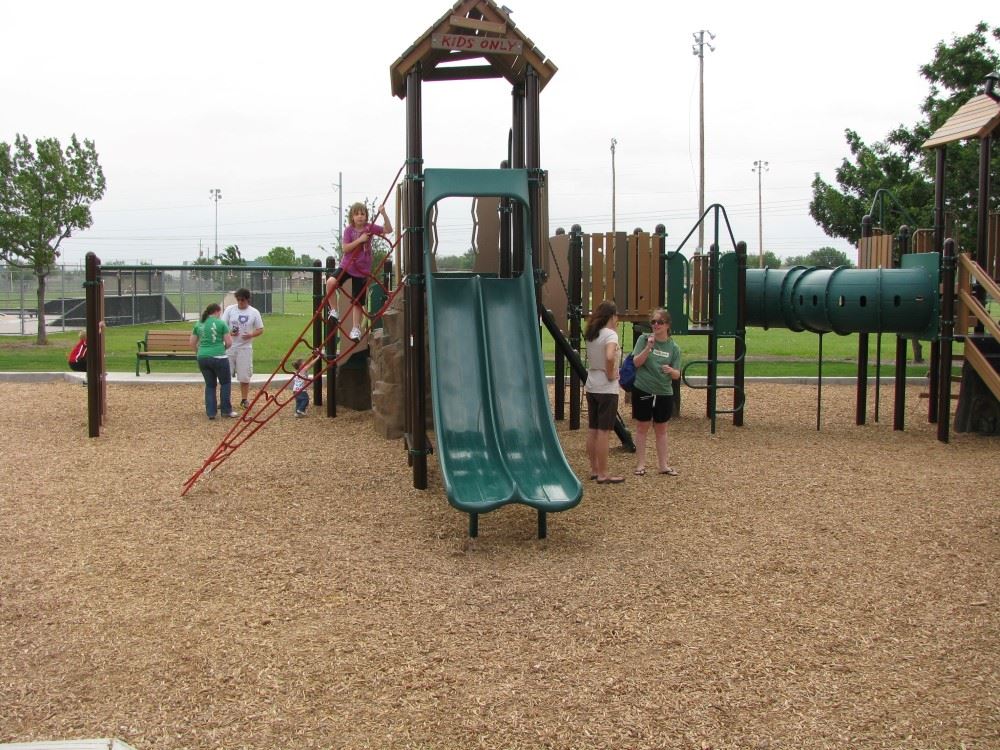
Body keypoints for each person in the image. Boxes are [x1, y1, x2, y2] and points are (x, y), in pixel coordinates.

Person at [326, 202, 392, 342]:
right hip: (347, 266)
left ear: (366, 216)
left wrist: (384, 213)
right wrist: (360, 240)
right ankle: (334, 310)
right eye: (357, 214)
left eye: (363, 214)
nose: (360, 217)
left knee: (357, 301)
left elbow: (389, 229)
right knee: (331, 282)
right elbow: (345, 248)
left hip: (362, 270)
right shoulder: (349, 230)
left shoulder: (370, 228)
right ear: (352, 217)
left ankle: (355, 329)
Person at [630, 308, 682, 476]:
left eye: (660, 322)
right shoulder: (643, 340)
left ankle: (663, 465)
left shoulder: (674, 348)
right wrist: (648, 348)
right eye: (653, 322)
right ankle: (640, 464)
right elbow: (636, 363)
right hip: (643, 388)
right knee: (642, 426)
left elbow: (677, 374)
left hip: (664, 391)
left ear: (667, 325)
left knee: (661, 429)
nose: (656, 325)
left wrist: (670, 370)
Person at [584, 299, 624, 484]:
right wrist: (610, 373)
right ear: (612, 316)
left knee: (592, 429)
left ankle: (594, 469)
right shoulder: (610, 335)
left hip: (592, 382)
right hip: (606, 387)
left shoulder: (592, 333)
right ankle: (603, 473)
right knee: (604, 431)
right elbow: (609, 356)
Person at [190, 302, 236, 420]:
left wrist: (199, 352)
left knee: (210, 385)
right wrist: (222, 348)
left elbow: (192, 343)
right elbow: (229, 342)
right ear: (217, 311)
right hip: (219, 357)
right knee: (225, 383)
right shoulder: (221, 323)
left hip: (203, 357)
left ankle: (211, 412)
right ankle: (226, 410)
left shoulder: (199, 323)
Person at [222, 288, 264, 409]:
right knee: (226, 375)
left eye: (243, 300)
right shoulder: (230, 310)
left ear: (247, 300)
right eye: (239, 300)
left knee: (244, 375)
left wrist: (251, 335)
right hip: (230, 347)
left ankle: (244, 399)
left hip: (245, 347)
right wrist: (229, 333)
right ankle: (225, 399)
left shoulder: (254, 312)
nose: (240, 302)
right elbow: (222, 325)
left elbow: (260, 329)